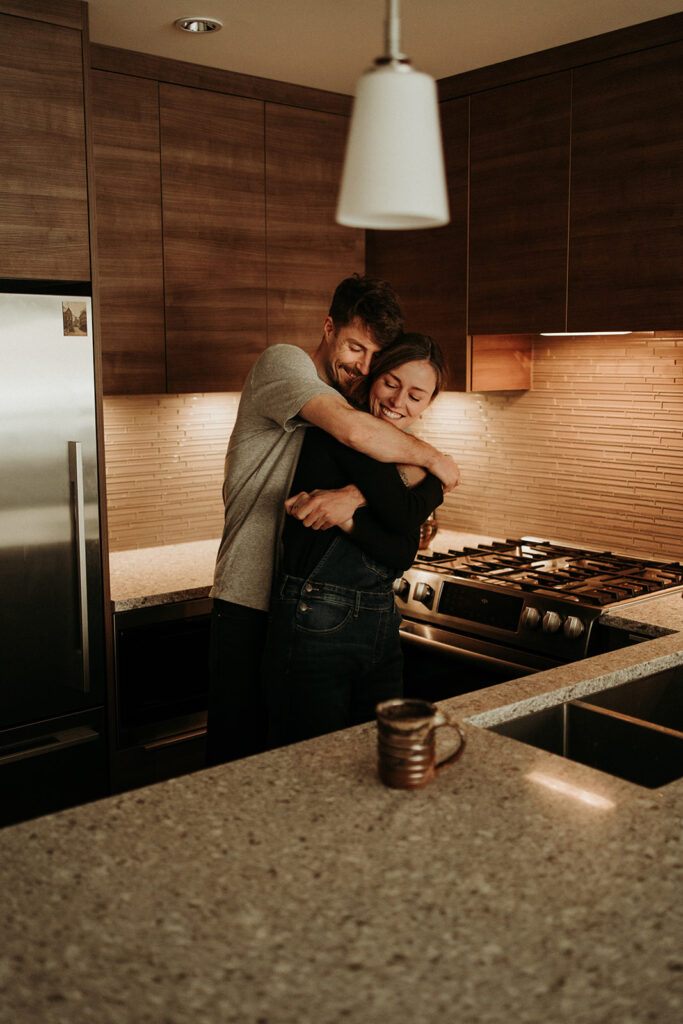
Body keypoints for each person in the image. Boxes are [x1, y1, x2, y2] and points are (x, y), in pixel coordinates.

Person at [207, 275, 460, 765]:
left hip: (300, 599)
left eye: (375, 358)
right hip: (248, 594)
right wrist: (436, 461)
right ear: (328, 327)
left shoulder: (363, 413)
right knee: (240, 759)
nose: (361, 367)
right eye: (354, 347)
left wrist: (355, 500)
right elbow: (350, 433)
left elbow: (396, 517)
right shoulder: (286, 364)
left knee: (296, 760)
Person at [263, 334, 447, 747]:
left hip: (378, 622)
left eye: (417, 396)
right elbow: (402, 518)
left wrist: (349, 512)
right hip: (316, 621)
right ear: (374, 377)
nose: (399, 402)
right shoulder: (342, 432)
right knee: (315, 767)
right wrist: (437, 478)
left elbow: (400, 551)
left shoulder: (398, 451)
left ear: (429, 403)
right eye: (392, 383)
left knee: (377, 758)